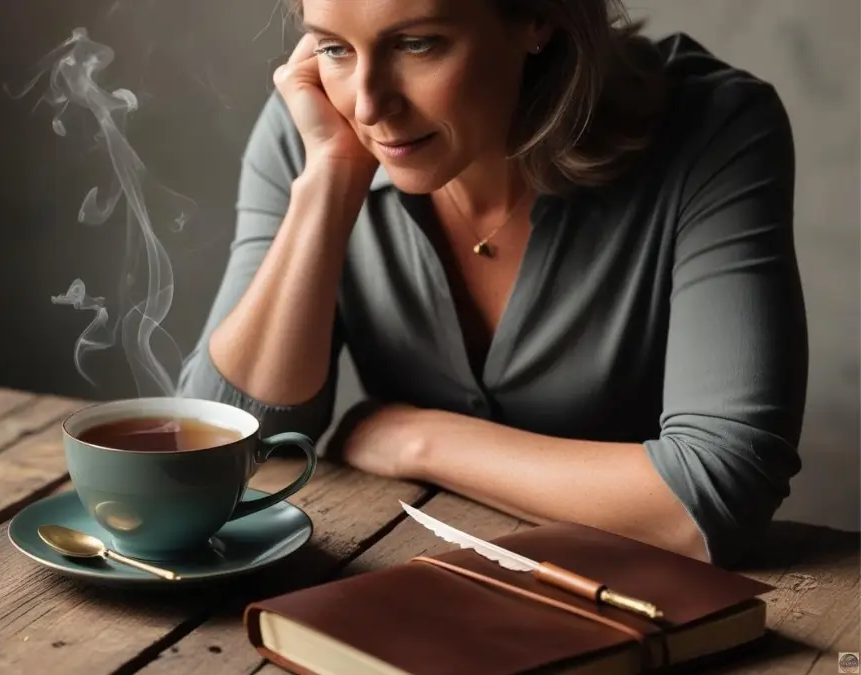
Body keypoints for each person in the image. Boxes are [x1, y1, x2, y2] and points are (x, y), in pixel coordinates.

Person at [177, 0, 808, 568]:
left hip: (635, 597)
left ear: (537, 17)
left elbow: (715, 495)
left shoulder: (713, 127)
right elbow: (214, 451)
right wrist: (330, 182)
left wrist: (420, 440)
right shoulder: (319, 124)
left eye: (417, 43)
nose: (367, 106)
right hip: (405, 575)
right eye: (334, 47)